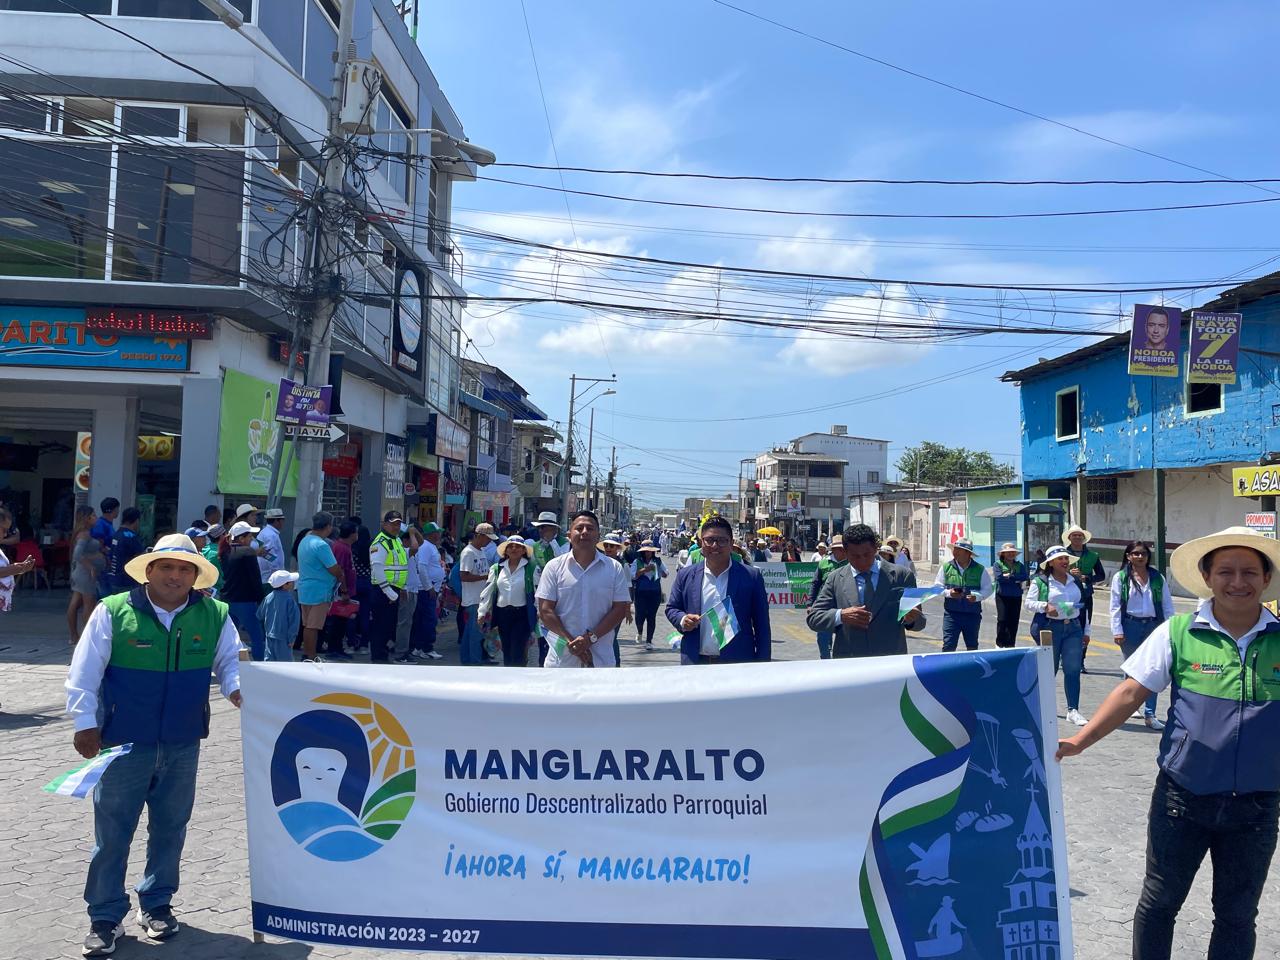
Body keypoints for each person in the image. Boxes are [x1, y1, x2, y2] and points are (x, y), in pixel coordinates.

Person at [1057, 526, 1280, 960]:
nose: (1238, 582)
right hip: (1182, 799)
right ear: (1207, 577)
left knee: (1237, 915)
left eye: (1250, 572)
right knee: (1160, 903)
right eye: (1226, 572)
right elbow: (1130, 693)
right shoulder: (1178, 632)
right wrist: (1081, 741)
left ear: (1266, 579)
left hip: (1256, 807)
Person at [64, 533, 239, 958]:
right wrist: (85, 724)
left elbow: (231, 661)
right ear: (149, 571)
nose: (175, 576)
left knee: (171, 828)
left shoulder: (215, 615)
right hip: (123, 743)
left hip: (183, 744)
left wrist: (238, 689)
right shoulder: (113, 611)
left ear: (196, 576)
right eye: (167, 567)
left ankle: (157, 904)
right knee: (112, 834)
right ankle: (105, 916)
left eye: (184, 569)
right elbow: (84, 672)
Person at [807, 524, 925, 658]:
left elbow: (920, 622)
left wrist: (912, 619)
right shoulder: (835, 579)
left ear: (875, 549)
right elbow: (814, 618)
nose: (862, 561)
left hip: (890, 662)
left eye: (866, 555)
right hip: (850, 662)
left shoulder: (902, 576)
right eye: (855, 556)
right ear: (845, 552)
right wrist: (841, 615)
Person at [666, 516, 771, 664]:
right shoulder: (686, 575)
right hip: (695, 662)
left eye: (722, 540)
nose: (715, 545)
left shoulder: (751, 577)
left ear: (731, 543)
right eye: (709, 540)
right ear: (701, 543)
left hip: (737, 664)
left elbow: (762, 626)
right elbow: (672, 608)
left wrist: (763, 665)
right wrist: (683, 619)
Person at [536, 510, 632, 668]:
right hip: (562, 662)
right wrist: (571, 643)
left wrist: (590, 639)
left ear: (598, 535)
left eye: (590, 528)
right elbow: (545, 611)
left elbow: (619, 609)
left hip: (601, 660)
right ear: (569, 535)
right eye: (579, 528)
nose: (584, 532)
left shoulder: (614, 568)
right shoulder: (553, 567)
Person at [1109, 540, 1175, 730]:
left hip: (1153, 626)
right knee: (1132, 670)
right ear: (1128, 556)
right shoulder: (1121, 578)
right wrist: (1117, 630)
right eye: (1135, 553)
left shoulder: (1157, 577)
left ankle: (1150, 713)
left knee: (1152, 670)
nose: (1140, 557)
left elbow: (1167, 604)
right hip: (1130, 625)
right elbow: (1115, 605)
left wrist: (1170, 627)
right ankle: (1129, 706)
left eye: (1143, 554)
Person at [1026, 545, 1089, 726]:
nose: (1064, 561)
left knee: (1073, 669)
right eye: (1060, 559)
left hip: (1073, 628)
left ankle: (1073, 710)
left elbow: (1083, 606)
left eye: (1066, 558)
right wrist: (1045, 606)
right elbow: (1028, 603)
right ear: (1051, 563)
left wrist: (1086, 631)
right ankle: (1042, 707)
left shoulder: (1075, 581)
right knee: (1048, 670)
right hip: (1050, 628)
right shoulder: (1041, 581)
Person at [479, 538, 540, 667]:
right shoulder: (497, 568)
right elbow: (487, 591)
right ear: (505, 551)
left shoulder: (531, 568)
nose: (514, 549)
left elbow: (538, 592)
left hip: (522, 615)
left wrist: (540, 611)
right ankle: (509, 674)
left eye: (518, 546)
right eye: (510, 546)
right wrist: (482, 612)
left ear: (523, 550)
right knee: (506, 649)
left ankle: (517, 675)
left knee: (517, 650)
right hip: (502, 615)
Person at [933, 537, 993, 652]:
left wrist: (977, 597)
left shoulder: (980, 569)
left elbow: (988, 589)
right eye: (954, 549)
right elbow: (937, 587)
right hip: (952, 614)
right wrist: (949, 593)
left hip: (972, 615)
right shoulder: (946, 567)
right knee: (948, 645)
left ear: (968, 553)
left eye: (958, 550)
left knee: (972, 646)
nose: (954, 552)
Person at [368, 512, 410, 664]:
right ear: (384, 524)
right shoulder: (380, 542)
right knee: (381, 625)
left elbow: (401, 565)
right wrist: (389, 592)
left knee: (388, 625)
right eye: (393, 523)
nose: (396, 527)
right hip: (383, 590)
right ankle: (378, 657)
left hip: (393, 589)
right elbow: (377, 568)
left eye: (398, 524)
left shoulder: (396, 540)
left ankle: (383, 654)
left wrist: (402, 587)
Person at [1062, 524, 1106, 670]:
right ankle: (1065, 656)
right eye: (1074, 535)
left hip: (1085, 597)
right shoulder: (1062, 554)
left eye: (1080, 535)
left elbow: (1101, 575)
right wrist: (1068, 573)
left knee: (1084, 626)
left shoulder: (1093, 556)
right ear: (1069, 538)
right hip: (1067, 596)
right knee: (1067, 624)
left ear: (1084, 538)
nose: (1077, 537)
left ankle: (1080, 660)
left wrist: (1086, 577)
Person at [220, 521, 266, 659]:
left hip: (228, 600)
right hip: (245, 601)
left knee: (229, 637)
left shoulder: (225, 552)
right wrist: (261, 598)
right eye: (249, 536)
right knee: (257, 636)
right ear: (241, 538)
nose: (251, 539)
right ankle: (259, 665)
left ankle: (227, 662)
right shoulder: (248, 552)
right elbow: (255, 578)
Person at [457, 523, 498, 665]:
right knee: (475, 632)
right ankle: (474, 661)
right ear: (479, 536)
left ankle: (468, 659)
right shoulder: (468, 552)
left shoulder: (481, 551)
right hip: (473, 598)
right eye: (487, 538)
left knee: (472, 631)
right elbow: (463, 576)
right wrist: (484, 577)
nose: (489, 541)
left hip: (481, 597)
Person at [320, 520, 358, 661]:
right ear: (352, 534)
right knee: (338, 621)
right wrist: (344, 591)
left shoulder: (344, 547)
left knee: (341, 621)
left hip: (343, 589)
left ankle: (337, 647)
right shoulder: (341, 548)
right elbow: (340, 570)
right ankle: (334, 648)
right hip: (340, 591)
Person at [68, 506, 104, 644]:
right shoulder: (84, 534)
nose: (96, 518)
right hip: (85, 573)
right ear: (87, 518)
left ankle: (74, 636)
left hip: (80, 572)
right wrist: (90, 566)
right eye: (93, 515)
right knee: (89, 603)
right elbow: (77, 554)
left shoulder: (82, 533)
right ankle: (87, 636)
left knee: (75, 603)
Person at [807, 535, 848, 659]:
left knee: (846, 636)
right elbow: (815, 583)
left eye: (843, 548)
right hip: (825, 604)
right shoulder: (824, 562)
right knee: (823, 638)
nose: (842, 551)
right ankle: (825, 661)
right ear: (833, 550)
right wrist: (810, 604)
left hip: (845, 604)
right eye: (839, 549)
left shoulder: (851, 562)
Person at [411, 522, 445, 660]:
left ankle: (418, 647)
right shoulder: (426, 547)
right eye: (437, 532)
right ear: (431, 534)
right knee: (429, 619)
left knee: (422, 619)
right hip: (427, 590)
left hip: (429, 588)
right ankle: (426, 648)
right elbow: (422, 567)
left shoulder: (430, 546)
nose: (439, 535)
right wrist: (428, 587)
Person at [391, 526, 424, 664]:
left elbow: (420, 542)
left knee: (407, 622)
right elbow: (415, 547)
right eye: (411, 539)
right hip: (406, 590)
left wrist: (414, 532)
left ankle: (403, 649)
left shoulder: (407, 550)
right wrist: (411, 533)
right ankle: (401, 653)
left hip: (412, 590)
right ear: (405, 540)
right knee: (404, 623)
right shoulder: (402, 551)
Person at [992, 542, 1029, 649]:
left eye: (1012, 552)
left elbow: (1024, 576)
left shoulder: (1019, 565)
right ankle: (999, 643)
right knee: (1002, 619)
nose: (1010, 554)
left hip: (1016, 596)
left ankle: (1010, 644)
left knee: (1014, 621)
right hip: (1002, 596)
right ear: (1003, 554)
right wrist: (1015, 578)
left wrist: (1010, 576)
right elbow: (999, 578)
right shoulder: (997, 564)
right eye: (1008, 552)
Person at [258, 570, 301, 662]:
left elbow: (260, 615)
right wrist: (291, 638)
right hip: (284, 638)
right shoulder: (290, 600)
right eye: (290, 581)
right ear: (285, 585)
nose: (293, 583)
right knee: (285, 666)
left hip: (269, 636)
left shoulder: (268, 597)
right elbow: (294, 621)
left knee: (269, 664)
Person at [630, 543, 667, 648]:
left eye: (650, 551)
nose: (648, 553)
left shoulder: (658, 561)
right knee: (640, 616)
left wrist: (662, 572)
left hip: (655, 592)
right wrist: (644, 570)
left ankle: (649, 641)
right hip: (641, 593)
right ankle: (640, 631)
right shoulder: (637, 561)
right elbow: (632, 576)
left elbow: (666, 573)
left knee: (651, 616)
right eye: (646, 551)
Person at [104, 508, 145, 597]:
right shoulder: (131, 537)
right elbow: (140, 557)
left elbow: (110, 555)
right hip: (127, 580)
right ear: (136, 520)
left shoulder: (116, 534)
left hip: (114, 578)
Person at [256, 507, 286, 585]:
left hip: (266, 577)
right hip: (270, 578)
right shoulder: (271, 535)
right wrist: (277, 574)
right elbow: (269, 556)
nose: (283, 522)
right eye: (282, 520)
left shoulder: (265, 532)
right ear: (276, 521)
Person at [201, 524, 225, 595]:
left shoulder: (204, 549)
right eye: (225, 534)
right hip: (218, 591)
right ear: (221, 536)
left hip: (203, 589)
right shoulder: (221, 553)